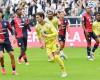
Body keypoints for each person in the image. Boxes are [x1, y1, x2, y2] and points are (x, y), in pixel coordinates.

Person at [35, 12, 67, 78]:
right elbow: (38, 35)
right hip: (47, 45)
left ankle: (64, 71)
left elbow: (56, 33)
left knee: (56, 57)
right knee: (52, 59)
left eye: (38, 17)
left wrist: (47, 35)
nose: (37, 19)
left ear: (42, 17)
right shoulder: (37, 27)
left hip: (54, 42)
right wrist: (41, 43)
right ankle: (59, 55)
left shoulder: (48, 25)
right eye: (36, 17)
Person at [0, 8, 16, 75]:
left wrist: (14, 37)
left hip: (7, 41)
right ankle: (3, 67)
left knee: (12, 55)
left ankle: (14, 70)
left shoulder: (6, 22)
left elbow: (11, 30)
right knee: (1, 56)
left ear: (1, 14)